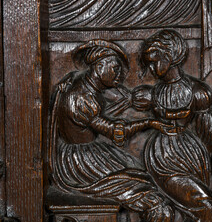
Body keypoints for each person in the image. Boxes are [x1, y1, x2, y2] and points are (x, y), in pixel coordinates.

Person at [49, 39, 174, 222]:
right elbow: (115, 131)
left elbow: (115, 96)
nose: (119, 76)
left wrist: (132, 99)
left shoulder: (84, 82)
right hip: (79, 160)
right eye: (115, 69)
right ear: (100, 67)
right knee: (147, 193)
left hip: (89, 150)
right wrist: (150, 123)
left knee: (139, 172)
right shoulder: (81, 98)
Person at [138, 30, 212, 222]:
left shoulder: (196, 91)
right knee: (206, 208)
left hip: (190, 154)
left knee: (194, 212)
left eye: (154, 61)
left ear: (170, 56)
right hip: (164, 156)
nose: (151, 68)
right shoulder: (153, 93)